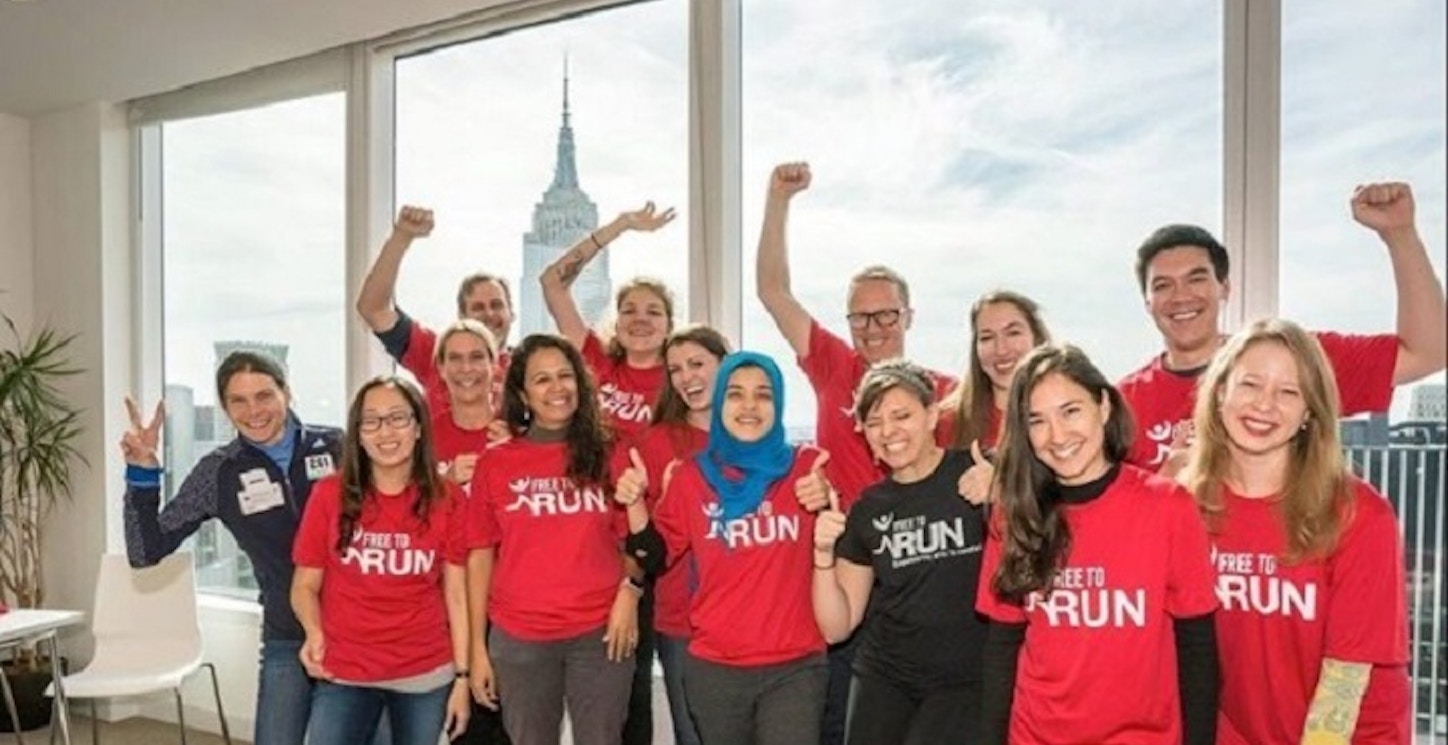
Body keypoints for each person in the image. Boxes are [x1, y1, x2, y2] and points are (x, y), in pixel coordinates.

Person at [754, 161, 954, 745]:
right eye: (861, 316)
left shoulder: (941, 393)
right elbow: (772, 291)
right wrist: (777, 200)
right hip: (843, 574)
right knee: (842, 723)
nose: (873, 327)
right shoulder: (835, 366)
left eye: (886, 313)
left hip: (917, 579)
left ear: (908, 317)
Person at [976, 343, 1219, 745]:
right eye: (1037, 420)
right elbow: (1001, 649)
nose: (1057, 435)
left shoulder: (1168, 506)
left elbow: (1198, 649)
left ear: (1103, 406)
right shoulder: (1014, 514)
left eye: (1071, 411)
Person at [1181, 318, 1410, 744]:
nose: (1265, 404)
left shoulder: (1359, 515)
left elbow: (1344, 684)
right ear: (1218, 393)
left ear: (1309, 412)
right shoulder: (1182, 508)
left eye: (1289, 392)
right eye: (1250, 384)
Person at [1120, 181, 1446, 470]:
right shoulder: (1123, 403)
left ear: (1225, 288)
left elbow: (1429, 352)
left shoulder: (1291, 360)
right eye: (1163, 285)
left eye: (1197, 279)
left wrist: (1400, 234)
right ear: (1147, 302)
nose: (1181, 297)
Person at [121, 350, 343, 745]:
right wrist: (142, 473)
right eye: (238, 400)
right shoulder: (219, 471)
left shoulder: (338, 446)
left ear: (286, 393)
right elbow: (145, 550)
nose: (253, 410)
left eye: (264, 395)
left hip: (360, 630)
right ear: (225, 408)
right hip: (287, 635)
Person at [619, 351, 830, 745]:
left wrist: (828, 499)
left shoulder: (808, 469)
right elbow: (653, 557)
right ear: (721, 404)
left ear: (778, 403)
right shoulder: (689, 477)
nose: (749, 406)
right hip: (715, 670)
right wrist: (634, 504)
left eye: (763, 395)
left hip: (796, 666)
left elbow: (844, 540)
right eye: (735, 394)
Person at [464, 334, 642, 745]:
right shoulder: (496, 462)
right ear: (522, 393)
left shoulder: (610, 451)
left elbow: (636, 539)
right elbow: (479, 556)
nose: (557, 388)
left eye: (565, 376)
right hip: (519, 638)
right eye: (542, 379)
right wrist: (476, 648)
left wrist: (629, 594)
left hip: (601, 634)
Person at [812, 360, 988, 745]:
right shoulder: (868, 509)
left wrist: (1004, 492)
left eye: (901, 415)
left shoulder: (977, 475)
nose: (888, 431)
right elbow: (837, 626)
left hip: (964, 679)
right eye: (874, 422)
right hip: (885, 673)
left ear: (930, 415)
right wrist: (822, 554)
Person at [290, 376, 471, 744]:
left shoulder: (447, 497)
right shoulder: (328, 495)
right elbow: (304, 586)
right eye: (371, 421)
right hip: (345, 668)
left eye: (397, 418)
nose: (385, 431)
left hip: (425, 671)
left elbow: (456, 595)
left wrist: (463, 679)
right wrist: (314, 631)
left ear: (418, 427)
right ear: (357, 434)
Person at [613, 324, 731, 745]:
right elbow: (641, 540)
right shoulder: (655, 442)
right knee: (693, 734)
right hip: (681, 616)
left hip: (748, 617)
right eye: (676, 369)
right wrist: (648, 498)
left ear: (726, 366)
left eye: (698, 364)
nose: (687, 377)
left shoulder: (754, 438)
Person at [428, 319, 513, 745]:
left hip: (512, 600)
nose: (467, 368)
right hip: (449, 600)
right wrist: (445, 477)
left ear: (496, 363)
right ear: (439, 368)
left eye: (477, 357)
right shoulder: (423, 433)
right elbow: (402, 509)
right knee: (468, 728)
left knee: (515, 723)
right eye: (455, 358)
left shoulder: (517, 429)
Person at [357, 205, 516, 417]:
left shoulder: (528, 367)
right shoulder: (436, 353)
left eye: (496, 305)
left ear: (511, 314)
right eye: (478, 308)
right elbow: (373, 309)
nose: (488, 314)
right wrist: (402, 237)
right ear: (462, 318)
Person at [540, 202, 677, 450]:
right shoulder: (596, 361)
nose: (640, 319)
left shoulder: (679, 380)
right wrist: (620, 225)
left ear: (669, 327)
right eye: (629, 310)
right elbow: (552, 282)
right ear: (616, 323)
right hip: (588, 485)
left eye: (653, 312)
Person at [938, 290, 1051, 452]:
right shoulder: (947, 424)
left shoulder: (1064, 417)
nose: (1001, 350)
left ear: (1037, 338)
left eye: (1013, 333)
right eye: (987, 337)